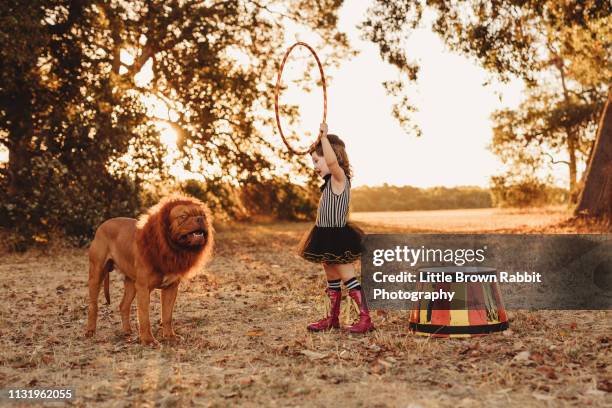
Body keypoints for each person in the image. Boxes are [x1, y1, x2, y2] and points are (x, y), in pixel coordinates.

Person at [297, 123, 374, 334]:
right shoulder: (329, 182)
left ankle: (365, 319)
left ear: (333, 157)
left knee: (348, 278)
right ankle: (332, 318)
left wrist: (323, 137)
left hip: (337, 237)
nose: (314, 166)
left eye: (316, 160)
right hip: (323, 236)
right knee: (332, 279)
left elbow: (331, 162)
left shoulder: (340, 178)